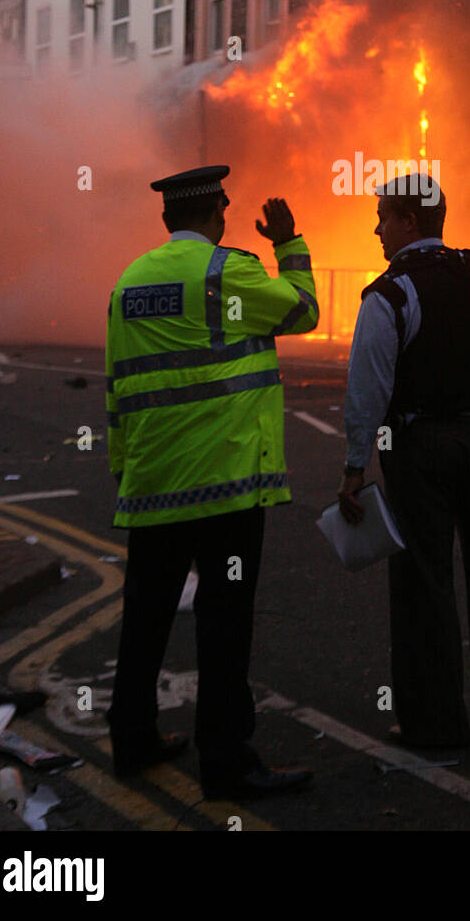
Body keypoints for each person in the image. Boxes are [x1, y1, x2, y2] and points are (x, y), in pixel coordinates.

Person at [105, 166, 318, 799]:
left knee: (144, 619)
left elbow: (119, 388)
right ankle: (225, 762)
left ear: (168, 218)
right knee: (224, 623)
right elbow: (304, 310)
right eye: (225, 206)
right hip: (224, 487)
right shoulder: (231, 271)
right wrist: (288, 244)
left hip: (151, 487)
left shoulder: (127, 283)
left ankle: (133, 739)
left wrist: (126, 471)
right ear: (215, 213)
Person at [339, 174, 470, 748]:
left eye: (383, 216)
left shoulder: (389, 294)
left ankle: (434, 724)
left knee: (424, 584)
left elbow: (368, 389)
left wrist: (355, 467)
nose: (377, 228)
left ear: (408, 221)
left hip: (421, 447)